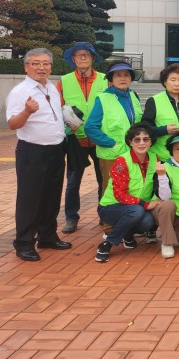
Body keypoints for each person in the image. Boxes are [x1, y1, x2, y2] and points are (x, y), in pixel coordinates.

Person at [6, 48, 71, 261]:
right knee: (30, 198)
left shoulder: (52, 88)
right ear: (26, 67)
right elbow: (12, 124)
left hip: (55, 149)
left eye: (45, 63)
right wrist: (27, 111)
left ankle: (48, 236)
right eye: (35, 63)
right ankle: (24, 243)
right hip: (32, 151)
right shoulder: (20, 92)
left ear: (51, 66)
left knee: (52, 196)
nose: (41, 67)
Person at [57, 41, 107, 234]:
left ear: (93, 58)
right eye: (79, 55)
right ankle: (71, 217)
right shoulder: (64, 81)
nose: (83, 57)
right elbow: (58, 108)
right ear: (73, 59)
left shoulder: (105, 80)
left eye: (87, 54)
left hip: (100, 138)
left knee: (104, 179)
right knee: (72, 182)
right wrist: (66, 124)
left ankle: (104, 214)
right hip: (75, 139)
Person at [95, 122, 160, 263]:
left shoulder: (155, 159)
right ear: (130, 142)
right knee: (137, 211)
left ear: (151, 142)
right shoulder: (122, 161)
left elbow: (157, 186)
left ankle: (128, 235)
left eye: (146, 139)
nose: (141, 143)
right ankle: (107, 244)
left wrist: (155, 200)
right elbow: (119, 194)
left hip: (135, 207)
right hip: (110, 207)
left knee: (148, 221)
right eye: (137, 139)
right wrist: (145, 204)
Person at [85, 61, 143, 197]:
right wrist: (112, 144)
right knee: (111, 191)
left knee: (132, 188)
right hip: (112, 154)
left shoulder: (133, 96)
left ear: (131, 78)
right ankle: (106, 212)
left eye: (126, 75)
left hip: (133, 152)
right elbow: (90, 127)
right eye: (118, 75)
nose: (122, 78)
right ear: (111, 78)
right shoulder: (103, 99)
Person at [143, 63, 179, 163]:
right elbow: (145, 129)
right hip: (162, 156)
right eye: (173, 80)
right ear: (165, 82)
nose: (177, 84)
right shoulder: (154, 101)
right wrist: (164, 130)